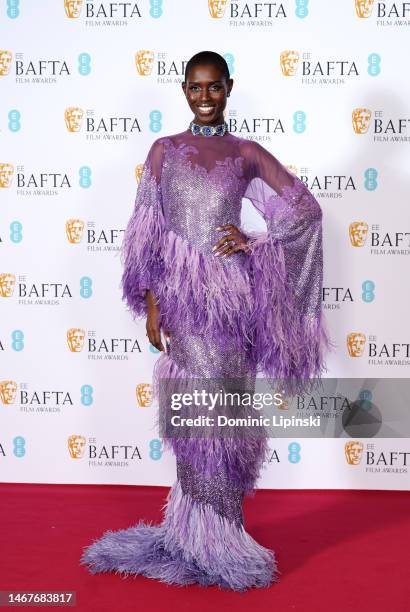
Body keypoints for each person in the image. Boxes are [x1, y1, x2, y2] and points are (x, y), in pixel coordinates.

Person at [80, 51, 331, 591]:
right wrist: (151, 301)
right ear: (184, 90)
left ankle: (225, 535)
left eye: (214, 87)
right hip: (181, 305)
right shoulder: (164, 151)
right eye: (195, 87)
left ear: (229, 87)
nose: (204, 96)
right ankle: (192, 533)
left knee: (227, 416)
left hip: (230, 304)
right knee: (193, 417)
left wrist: (255, 242)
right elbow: (147, 227)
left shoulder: (244, 153)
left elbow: (304, 210)